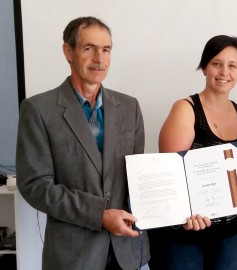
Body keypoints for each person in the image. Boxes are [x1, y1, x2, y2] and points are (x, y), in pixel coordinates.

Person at [16, 17, 150, 270]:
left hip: (127, 251)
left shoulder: (129, 107)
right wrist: (99, 215)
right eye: (89, 48)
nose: (99, 58)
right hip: (74, 256)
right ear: (68, 51)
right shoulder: (38, 110)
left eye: (106, 49)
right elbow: (34, 185)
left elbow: (138, 178)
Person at [147, 35, 237, 270]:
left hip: (232, 232)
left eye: (232, 65)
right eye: (217, 63)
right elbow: (170, 175)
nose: (224, 71)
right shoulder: (186, 109)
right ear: (205, 67)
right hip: (187, 231)